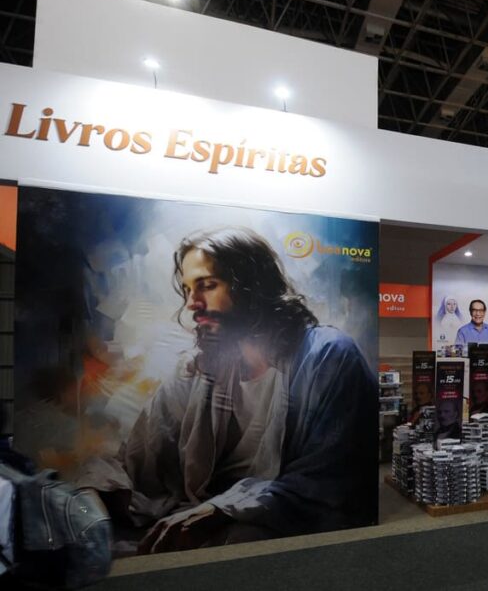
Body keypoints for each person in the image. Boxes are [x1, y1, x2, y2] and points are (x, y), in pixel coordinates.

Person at [76, 227, 377, 553]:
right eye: (188, 290)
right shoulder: (197, 370)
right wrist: (94, 495)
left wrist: (220, 511)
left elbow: (328, 484)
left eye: (207, 286)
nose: (192, 304)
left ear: (253, 285)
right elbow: (135, 459)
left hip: (289, 540)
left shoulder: (328, 356)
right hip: (204, 522)